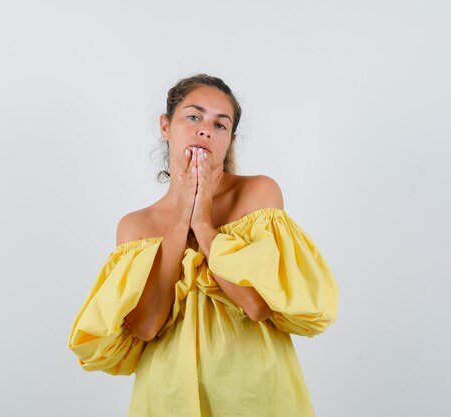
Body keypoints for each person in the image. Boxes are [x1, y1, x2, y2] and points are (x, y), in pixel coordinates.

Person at [68, 73, 339, 416]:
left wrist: (203, 225)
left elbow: (256, 306)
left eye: (220, 125)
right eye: (193, 117)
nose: (205, 130)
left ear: (230, 140)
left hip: (256, 396)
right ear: (166, 126)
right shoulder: (135, 226)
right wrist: (180, 221)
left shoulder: (258, 194)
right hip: (169, 399)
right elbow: (148, 325)